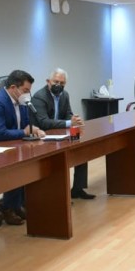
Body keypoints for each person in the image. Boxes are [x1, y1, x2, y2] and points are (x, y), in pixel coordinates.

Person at [0, 69, 45, 225]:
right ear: (13, 88)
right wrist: (24, 132)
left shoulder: (21, 102)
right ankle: (9, 208)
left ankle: (18, 205)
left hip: (11, 146)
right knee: (17, 167)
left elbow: (26, 124)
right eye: (25, 90)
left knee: (30, 162)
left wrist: (34, 130)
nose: (27, 94)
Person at [31, 67, 93, 200]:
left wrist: (74, 119)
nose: (58, 85)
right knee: (60, 160)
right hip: (42, 137)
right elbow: (43, 122)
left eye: (62, 83)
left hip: (59, 134)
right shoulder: (39, 97)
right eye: (56, 82)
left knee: (81, 149)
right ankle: (58, 196)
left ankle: (77, 189)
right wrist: (69, 122)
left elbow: (68, 114)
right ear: (48, 81)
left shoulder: (65, 95)